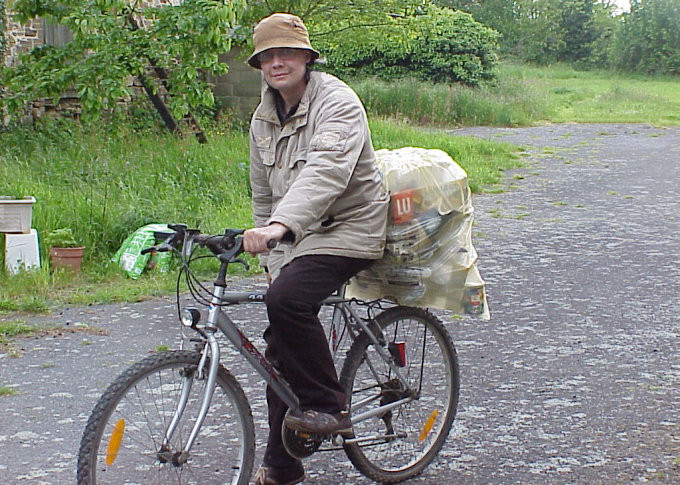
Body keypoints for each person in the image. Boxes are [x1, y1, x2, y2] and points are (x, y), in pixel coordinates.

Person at [242, 13, 389, 485]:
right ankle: (283, 467)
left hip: (353, 227)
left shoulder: (338, 102)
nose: (277, 61)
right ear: (259, 63)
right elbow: (263, 193)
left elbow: (326, 172)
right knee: (278, 350)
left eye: (287, 52)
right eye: (268, 54)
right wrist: (269, 249)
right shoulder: (263, 117)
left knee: (287, 301)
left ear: (307, 58)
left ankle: (328, 406)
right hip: (299, 235)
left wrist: (281, 226)